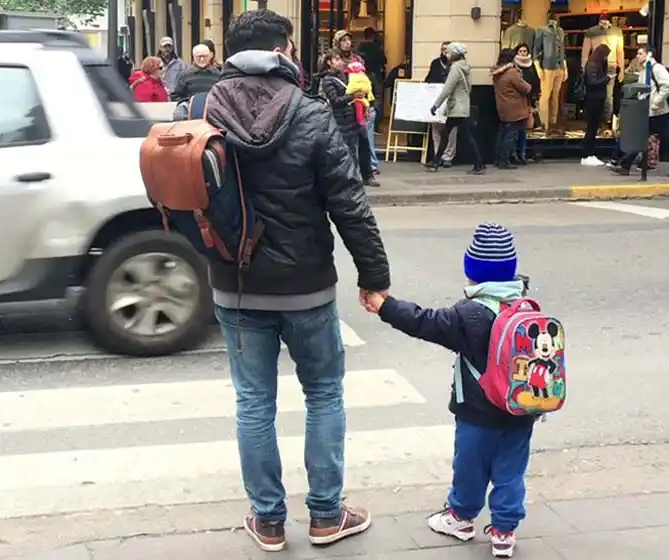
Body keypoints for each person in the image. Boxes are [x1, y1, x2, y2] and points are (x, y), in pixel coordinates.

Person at [204, 11, 390, 551]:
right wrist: (374, 276)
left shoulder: (201, 110)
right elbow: (349, 203)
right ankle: (327, 516)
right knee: (324, 393)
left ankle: (267, 520)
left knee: (254, 402)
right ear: (284, 49)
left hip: (233, 281)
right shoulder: (311, 113)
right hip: (306, 285)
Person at [363, 221, 535, 559]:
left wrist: (384, 305)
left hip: (478, 412)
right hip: (520, 410)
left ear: (472, 272)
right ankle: (504, 531)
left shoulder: (468, 314)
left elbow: (423, 321)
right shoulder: (525, 308)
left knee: (470, 466)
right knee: (510, 471)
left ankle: (461, 517)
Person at [610, 49, 669, 177]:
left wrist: (656, 102)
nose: (637, 56)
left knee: (666, 138)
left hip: (658, 112)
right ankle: (625, 165)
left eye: (640, 53)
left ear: (648, 54)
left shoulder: (657, 68)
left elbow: (668, 85)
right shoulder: (644, 70)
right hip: (647, 111)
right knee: (640, 138)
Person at [319, 50, 380, 187]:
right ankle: (347, 179)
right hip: (340, 119)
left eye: (340, 59)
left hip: (352, 118)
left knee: (357, 148)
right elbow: (334, 100)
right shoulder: (328, 80)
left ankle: (359, 176)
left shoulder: (345, 76)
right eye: (336, 60)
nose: (340, 62)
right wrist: (352, 97)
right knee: (346, 150)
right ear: (329, 63)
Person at [426, 42, 485, 174]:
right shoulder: (465, 67)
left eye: (449, 53)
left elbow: (448, 88)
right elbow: (469, 88)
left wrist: (436, 105)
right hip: (463, 106)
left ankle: (478, 163)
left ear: (454, 54)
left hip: (456, 108)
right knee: (451, 135)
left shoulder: (455, 69)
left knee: (456, 136)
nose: (447, 55)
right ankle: (436, 162)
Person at [492, 49, 532, 170]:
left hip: (503, 107)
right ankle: (504, 161)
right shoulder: (512, 72)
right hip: (514, 108)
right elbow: (525, 88)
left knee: (503, 133)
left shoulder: (497, 72)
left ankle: (498, 159)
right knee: (510, 135)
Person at [425, 41, 458, 168]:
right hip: (437, 97)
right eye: (443, 49)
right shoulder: (436, 63)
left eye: (447, 49)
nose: (445, 52)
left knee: (452, 130)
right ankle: (438, 154)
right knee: (436, 128)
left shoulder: (456, 65)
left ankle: (448, 156)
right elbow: (428, 78)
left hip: (451, 100)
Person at [581, 44, 611, 167]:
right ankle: (587, 154)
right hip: (593, 99)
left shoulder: (596, 64)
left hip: (596, 99)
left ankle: (589, 154)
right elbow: (592, 82)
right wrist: (607, 79)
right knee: (591, 128)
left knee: (593, 128)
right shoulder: (592, 65)